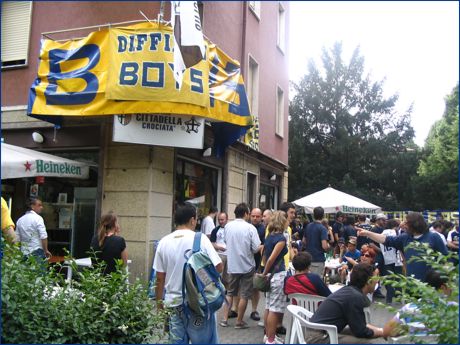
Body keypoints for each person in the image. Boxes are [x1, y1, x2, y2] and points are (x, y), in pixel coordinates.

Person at [154, 202, 223, 344]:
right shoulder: (201, 239)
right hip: (198, 304)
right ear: (192, 219)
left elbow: (159, 278)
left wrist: (159, 304)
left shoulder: (163, 242)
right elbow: (218, 266)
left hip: (173, 305)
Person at [357, 212, 448, 282]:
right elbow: (385, 239)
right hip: (412, 284)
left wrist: (444, 280)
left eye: (406, 222)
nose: (403, 224)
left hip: (430, 285)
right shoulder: (405, 237)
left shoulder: (434, 237)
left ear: (414, 224)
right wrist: (367, 233)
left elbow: (445, 259)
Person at [308, 263, 385, 344]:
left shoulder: (350, 291)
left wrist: (381, 331)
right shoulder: (355, 297)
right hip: (318, 337)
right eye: (376, 276)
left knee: (359, 335)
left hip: (319, 331)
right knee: (365, 343)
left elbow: (360, 325)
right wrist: (383, 332)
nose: (377, 280)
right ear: (368, 281)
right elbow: (361, 331)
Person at [220, 203, 261, 329]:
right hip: (247, 266)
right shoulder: (250, 228)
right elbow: (255, 248)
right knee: (244, 295)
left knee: (230, 293)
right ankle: (239, 321)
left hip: (232, 265)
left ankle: (224, 319)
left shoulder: (227, 226)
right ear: (246, 214)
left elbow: (226, 242)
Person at [382, 269, 456, 339]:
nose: (452, 288)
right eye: (450, 285)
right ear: (443, 288)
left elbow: (386, 332)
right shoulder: (454, 309)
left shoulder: (409, 308)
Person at [259, 210, 288, 344]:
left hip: (270, 275)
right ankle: (271, 340)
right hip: (277, 275)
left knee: (268, 306)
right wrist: (264, 272)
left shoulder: (269, 236)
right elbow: (271, 259)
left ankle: (268, 336)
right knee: (275, 310)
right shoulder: (281, 238)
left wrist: (265, 272)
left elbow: (265, 256)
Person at [302, 206, 329, 276]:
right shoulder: (323, 228)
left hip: (308, 259)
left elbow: (303, 241)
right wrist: (328, 246)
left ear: (314, 215)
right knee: (316, 283)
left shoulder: (308, 226)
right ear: (323, 215)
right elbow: (324, 246)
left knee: (308, 282)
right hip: (318, 259)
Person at [250, 207, 265, 321]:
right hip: (244, 261)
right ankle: (235, 309)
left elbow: (265, 246)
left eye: (257, 216)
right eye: (253, 216)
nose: (255, 218)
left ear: (261, 217)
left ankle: (254, 310)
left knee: (255, 287)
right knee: (241, 287)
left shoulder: (263, 229)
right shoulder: (246, 227)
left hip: (257, 262)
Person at [210, 212, 230, 288]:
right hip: (219, 255)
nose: (221, 221)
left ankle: (227, 292)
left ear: (227, 219)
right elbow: (212, 243)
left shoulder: (230, 229)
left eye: (222, 219)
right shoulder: (215, 230)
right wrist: (218, 247)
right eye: (219, 220)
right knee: (219, 276)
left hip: (229, 255)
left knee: (228, 277)